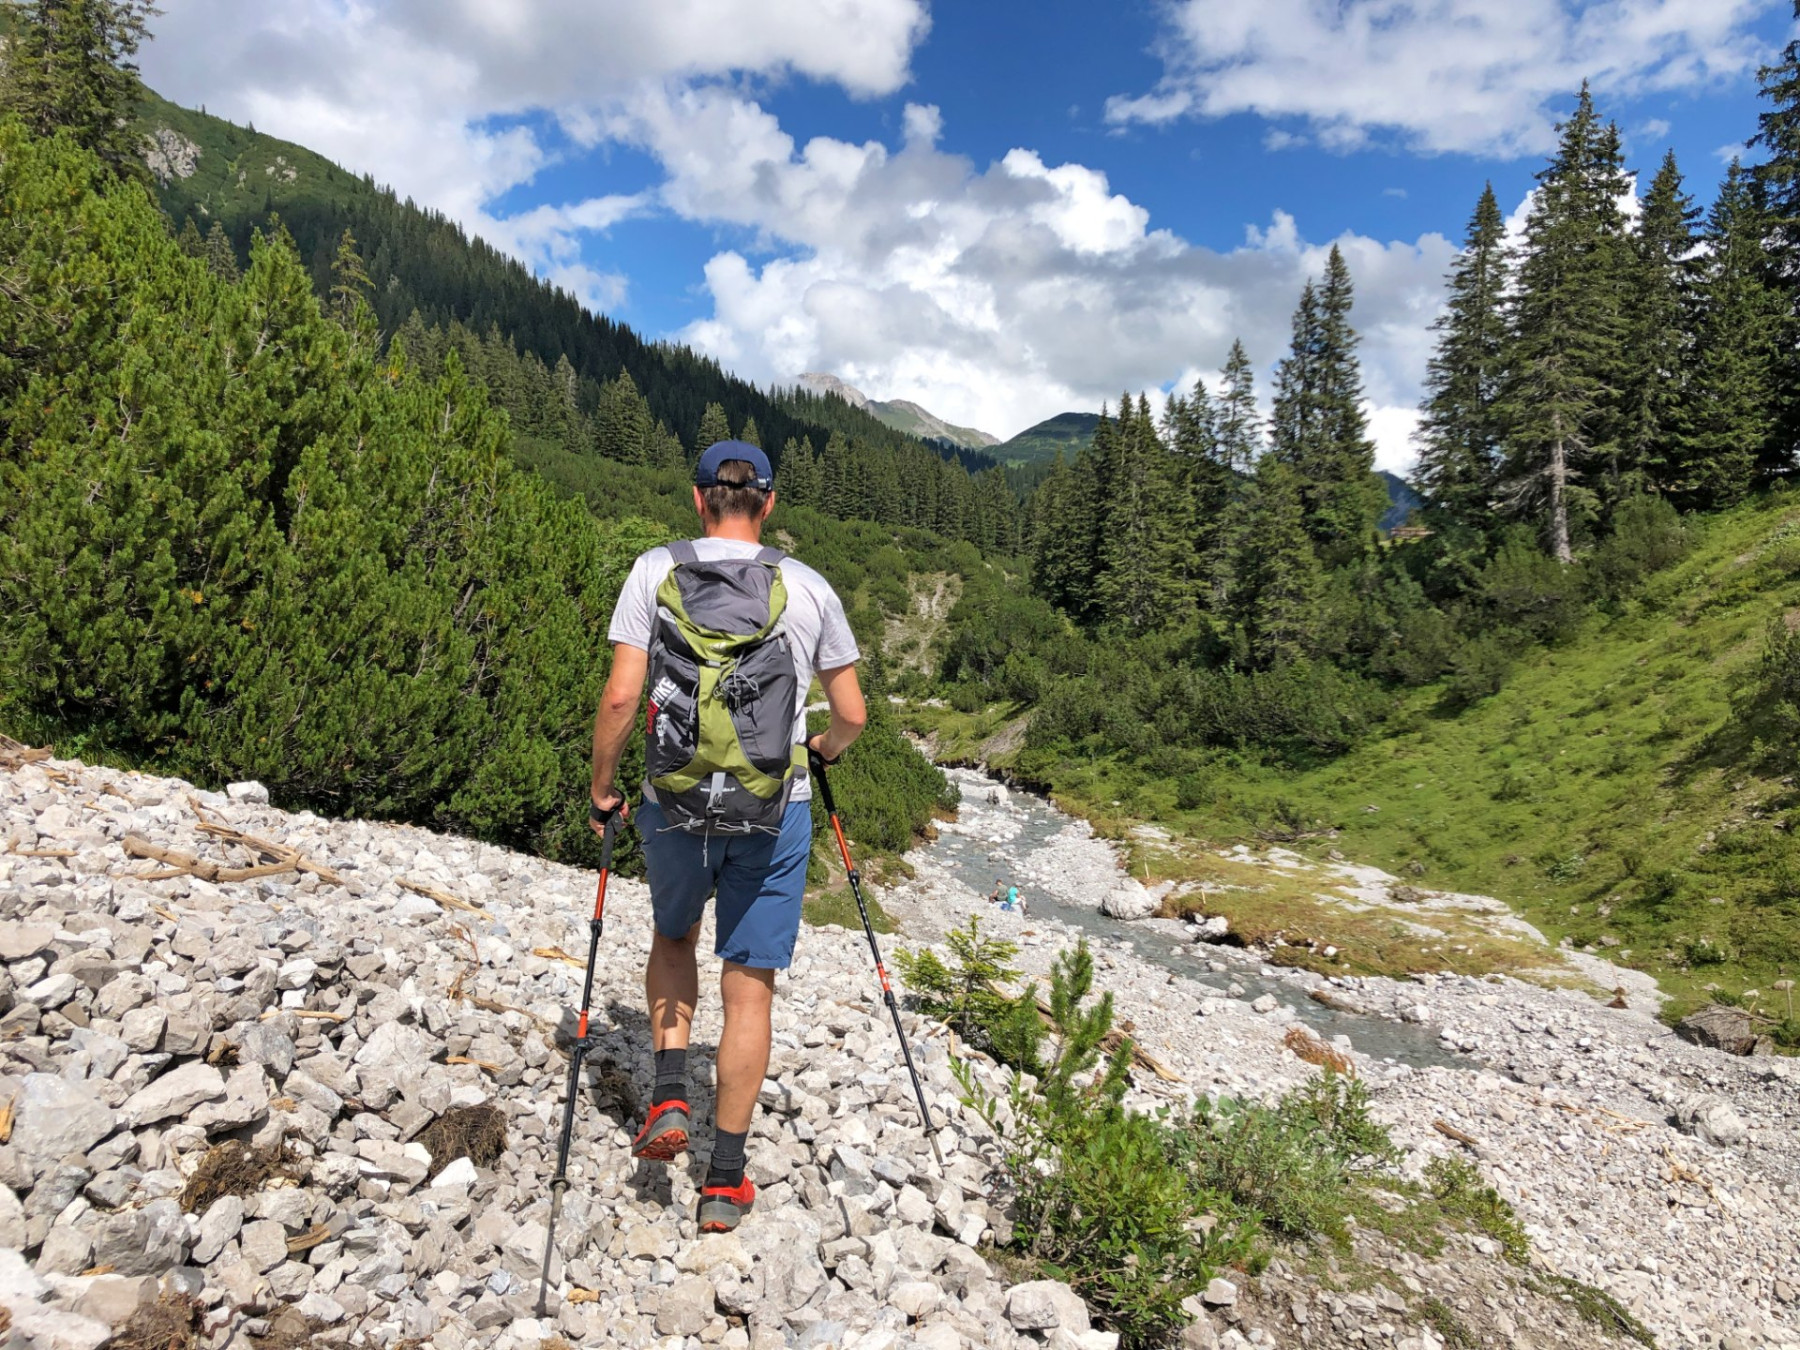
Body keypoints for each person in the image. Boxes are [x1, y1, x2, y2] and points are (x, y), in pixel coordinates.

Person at [588, 440, 867, 1233]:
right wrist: (823, 752)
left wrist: (603, 787)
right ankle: (724, 1181)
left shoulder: (654, 571)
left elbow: (620, 697)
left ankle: (671, 1091)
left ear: (700, 497)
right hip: (774, 810)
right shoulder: (809, 587)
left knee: (673, 936)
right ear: (768, 502)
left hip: (671, 800)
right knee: (750, 988)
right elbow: (851, 715)